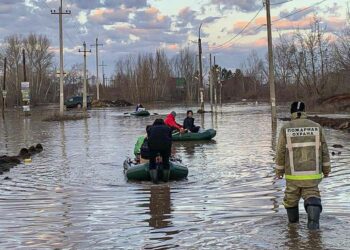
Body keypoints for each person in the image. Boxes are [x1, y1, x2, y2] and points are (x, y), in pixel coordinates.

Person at [275, 101, 331, 230]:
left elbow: (280, 152)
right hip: (312, 175)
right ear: (305, 112)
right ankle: (314, 231)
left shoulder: (286, 128)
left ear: (292, 112)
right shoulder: (317, 127)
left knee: (290, 200)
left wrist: (279, 171)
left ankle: (293, 230)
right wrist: (327, 170)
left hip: (293, 176)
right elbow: (324, 151)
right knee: (313, 197)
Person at [147, 119, 172, 183]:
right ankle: (165, 180)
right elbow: (170, 139)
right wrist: (169, 150)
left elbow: (149, 139)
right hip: (165, 147)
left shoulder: (150, 128)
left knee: (152, 162)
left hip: (153, 147)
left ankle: (154, 180)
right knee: (166, 162)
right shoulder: (168, 128)